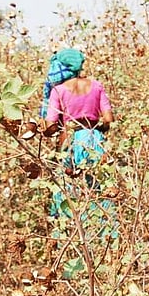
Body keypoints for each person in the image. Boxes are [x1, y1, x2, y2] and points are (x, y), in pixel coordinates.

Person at [42, 48, 115, 232]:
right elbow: (108, 119)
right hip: (95, 142)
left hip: (70, 143)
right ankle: (103, 236)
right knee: (100, 192)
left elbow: (50, 125)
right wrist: (94, 130)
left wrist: (49, 130)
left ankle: (71, 236)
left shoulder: (58, 91)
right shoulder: (96, 86)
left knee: (68, 194)